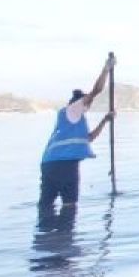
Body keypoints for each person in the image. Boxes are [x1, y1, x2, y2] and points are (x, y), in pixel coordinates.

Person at [39, 54, 116, 214]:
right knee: (70, 207)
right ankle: (65, 235)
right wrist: (106, 69)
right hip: (64, 165)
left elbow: (89, 138)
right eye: (87, 102)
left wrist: (104, 121)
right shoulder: (73, 109)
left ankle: (45, 235)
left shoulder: (71, 119)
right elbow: (96, 90)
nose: (89, 104)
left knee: (46, 205)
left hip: (50, 164)